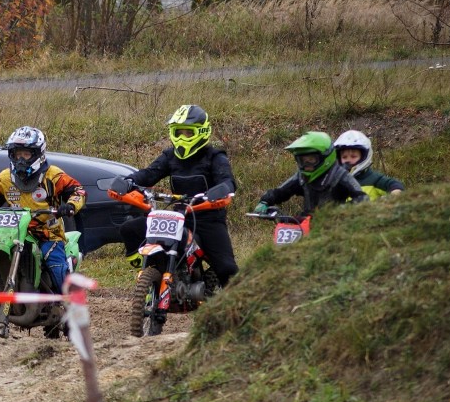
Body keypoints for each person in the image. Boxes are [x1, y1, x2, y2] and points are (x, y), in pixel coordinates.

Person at [118, 104, 238, 287]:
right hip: (177, 217)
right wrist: (128, 181)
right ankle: (155, 270)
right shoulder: (170, 156)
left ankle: (238, 309)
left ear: (202, 131)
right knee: (130, 229)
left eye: (188, 133)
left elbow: (227, 181)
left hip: (208, 220)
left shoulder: (215, 157)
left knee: (227, 270)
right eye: (178, 132)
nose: (182, 137)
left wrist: (221, 189)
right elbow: (149, 173)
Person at [0, 126, 86, 294]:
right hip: (12, 232)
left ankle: (69, 303)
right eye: (17, 154)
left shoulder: (53, 176)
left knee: (55, 265)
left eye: (26, 154)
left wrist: (71, 205)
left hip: (46, 233)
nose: (21, 160)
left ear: (38, 154)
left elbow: (78, 191)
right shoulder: (5, 177)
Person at [254, 130, 369, 216]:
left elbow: (362, 199)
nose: (307, 164)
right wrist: (265, 201)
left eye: (311, 159)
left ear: (325, 157)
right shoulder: (301, 177)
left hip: (336, 227)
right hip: (307, 224)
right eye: (303, 160)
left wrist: (341, 210)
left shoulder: (340, 175)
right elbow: (281, 191)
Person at [334, 130, 404, 200]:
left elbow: (395, 186)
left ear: (364, 156)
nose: (348, 160)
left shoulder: (373, 179)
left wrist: (389, 198)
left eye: (353, 156)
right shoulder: (335, 180)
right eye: (344, 157)